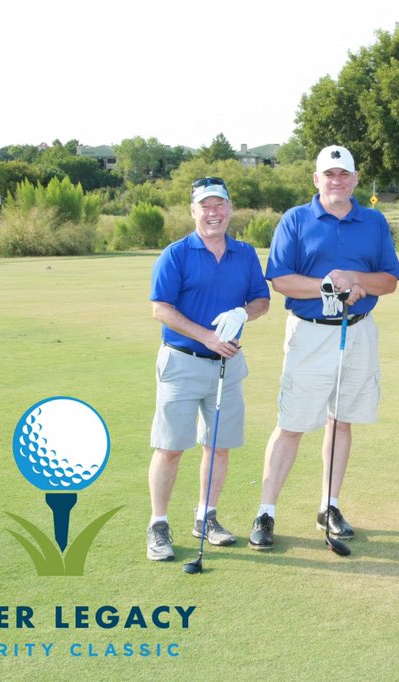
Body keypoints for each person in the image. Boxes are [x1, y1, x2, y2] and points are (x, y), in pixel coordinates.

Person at [249, 145, 399, 550]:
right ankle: (266, 511)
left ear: (354, 180)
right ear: (317, 180)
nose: (337, 181)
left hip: (358, 331)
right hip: (311, 333)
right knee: (292, 424)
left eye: (344, 175)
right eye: (329, 175)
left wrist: (357, 278)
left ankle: (329, 505)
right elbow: (280, 279)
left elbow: (389, 281)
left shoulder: (372, 221)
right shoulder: (296, 219)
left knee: (342, 420)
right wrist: (328, 286)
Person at [146, 177, 270, 561]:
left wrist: (241, 312)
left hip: (227, 367)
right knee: (170, 448)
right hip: (182, 363)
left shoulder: (245, 253)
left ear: (230, 209)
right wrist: (206, 336)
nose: (213, 213)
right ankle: (158, 524)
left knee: (218, 447)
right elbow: (161, 308)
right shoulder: (176, 254)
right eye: (205, 206)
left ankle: (206, 517)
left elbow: (262, 301)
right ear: (193, 211)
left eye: (220, 205)